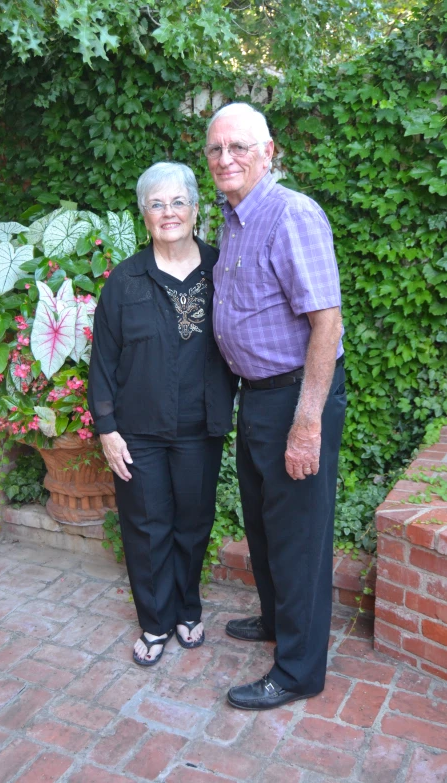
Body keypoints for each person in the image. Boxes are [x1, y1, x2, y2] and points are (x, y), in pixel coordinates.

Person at [205, 103, 347, 709]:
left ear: (268, 152)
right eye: (215, 149)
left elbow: (327, 322)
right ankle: (274, 620)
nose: (225, 159)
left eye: (238, 147)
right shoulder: (233, 219)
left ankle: (298, 671)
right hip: (257, 396)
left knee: (298, 536)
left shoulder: (291, 213)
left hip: (296, 397)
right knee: (265, 525)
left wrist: (307, 421)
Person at [88, 161, 236, 666]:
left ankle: (187, 609)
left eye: (178, 202)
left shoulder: (223, 270)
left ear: (195, 209)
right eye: (157, 204)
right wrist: (106, 428)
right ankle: (155, 622)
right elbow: (103, 362)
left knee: (193, 525)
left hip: (200, 429)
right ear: (143, 214)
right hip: (139, 432)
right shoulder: (124, 281)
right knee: (147, 529)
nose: (168, 212)